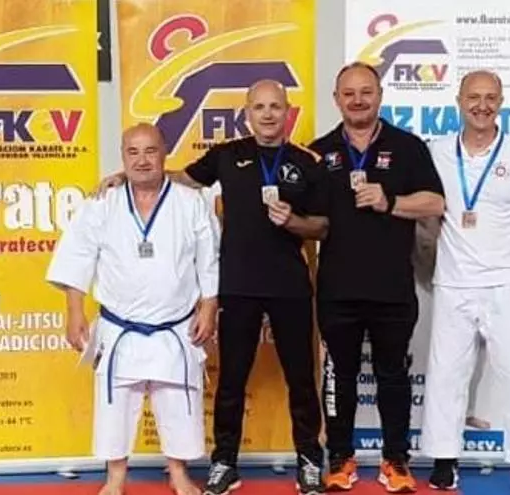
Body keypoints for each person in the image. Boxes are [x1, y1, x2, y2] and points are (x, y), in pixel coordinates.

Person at [97, 80, 328, 495]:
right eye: (259, 107)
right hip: (236, 284)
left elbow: (323, 227)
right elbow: (177, 178)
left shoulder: (306, 162)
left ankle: (310, 461)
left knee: (301, 379)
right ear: (247, 113)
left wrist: (294, 221)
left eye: (275, 106)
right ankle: (225, 462)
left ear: (287, 111)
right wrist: (126, 176)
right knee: (231, 380)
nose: (268, 114)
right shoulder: (227, 155)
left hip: (289, 285)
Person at [46, 123, 220, 495]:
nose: (142, 160)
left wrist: (209, 305)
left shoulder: (191, 203)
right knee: (115, 406)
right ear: (123, 157)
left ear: (164, 153)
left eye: (150, 151)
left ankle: (178, 474)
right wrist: (74, 310)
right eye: (133, 152)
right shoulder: (102, 203)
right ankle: (115, 479)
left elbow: (209, 260)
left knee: (179, 403)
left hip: (175, 326)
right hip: (119, 326)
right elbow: (78, 256)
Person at [418, 70, 510, 495]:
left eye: (490, 98)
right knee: (446, 374)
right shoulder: (437, 152)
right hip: (454, 281)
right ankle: (444, 461)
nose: (481, 106)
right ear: (458, 101)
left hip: (509, 282)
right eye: (473, 97)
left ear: (501, 103)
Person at [308, 62, 446, 493]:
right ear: (336, 99)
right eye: (349, 93)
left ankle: (395, 460)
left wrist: (390, 201)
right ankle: (340, 458)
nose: (358, 100)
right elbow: (306, 218)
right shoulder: (318, 152)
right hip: (337, 289)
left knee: (393, 376)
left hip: (392, 288)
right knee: (339, 377)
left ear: (380, 95)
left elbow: (435, 203)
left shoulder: (408, 147)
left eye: (366, 92)